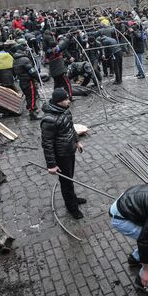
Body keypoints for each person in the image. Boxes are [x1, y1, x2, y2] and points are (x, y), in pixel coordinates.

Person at [41, 87, 85, 219]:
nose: (69, 101)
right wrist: (51, 165)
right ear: (58, 101)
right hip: (61, 155)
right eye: (66, 99)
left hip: (69, 150)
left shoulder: (65, 111)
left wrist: (77, 142)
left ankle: (73, 198)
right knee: (65, 182)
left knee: (69, 178)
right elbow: (47, 144)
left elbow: (71, 127)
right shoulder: (49, 120)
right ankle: (72, 207)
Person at [13, 41, 42, 120]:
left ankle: (32, 110)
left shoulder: (14, 59)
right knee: (32, 97)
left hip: (21, 81)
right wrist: (39, 79)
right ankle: (32, 114)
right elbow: (32, 71)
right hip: (28, 81)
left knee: (28, 97)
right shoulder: (25, 59)